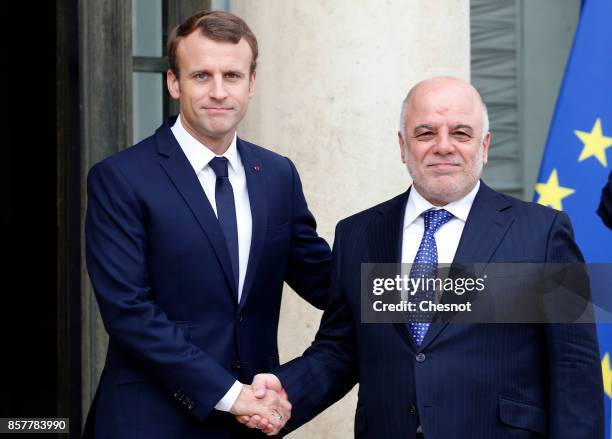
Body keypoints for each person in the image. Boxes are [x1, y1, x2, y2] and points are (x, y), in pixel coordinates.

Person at [242, 77, 604, 438]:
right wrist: (286, 390)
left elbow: (574, 368)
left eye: (460, 133)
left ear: (485, 145)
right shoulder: (359, 235)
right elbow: (342, 348)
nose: (443, 147)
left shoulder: (542, 233)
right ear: (403, 145)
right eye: (426, 133)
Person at [83, 10, 330, 438]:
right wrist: (231, 394)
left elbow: (328, 281)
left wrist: (444, 290)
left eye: (232, 76)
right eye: (201, 76)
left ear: (251, 83)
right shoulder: (120, 178)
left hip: (249, 425)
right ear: (174, 83)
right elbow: (129, 312)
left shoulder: (276, 175)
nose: (219, 92)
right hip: (150, 422)